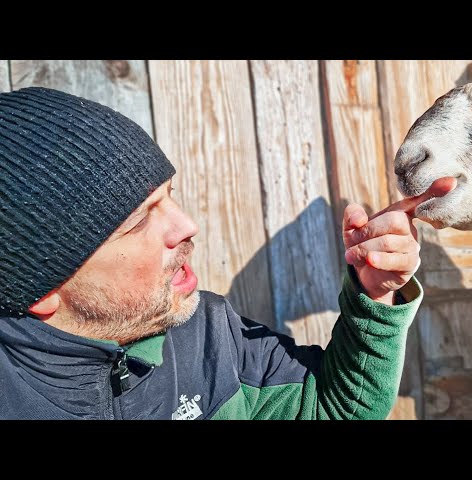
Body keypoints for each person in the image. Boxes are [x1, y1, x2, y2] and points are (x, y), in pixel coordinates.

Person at [0, 87, 424, 420]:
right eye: (138, 221)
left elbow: (332, 408)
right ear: (42, 291)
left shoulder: (206, 334)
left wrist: (374, 296)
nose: (187, 225)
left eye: (170, 195)